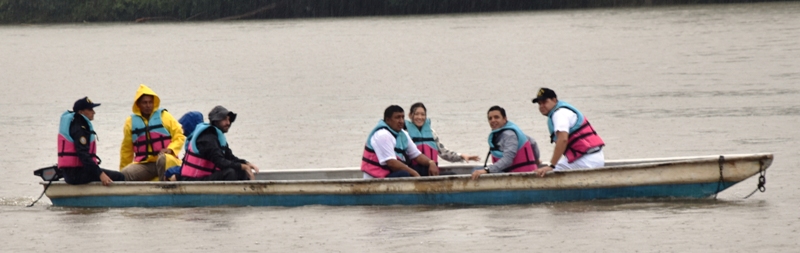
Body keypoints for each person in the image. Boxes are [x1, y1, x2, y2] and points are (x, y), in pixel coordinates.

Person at [531, 88, 605, 177]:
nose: (541, 106)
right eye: (539, 103)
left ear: (554, 100)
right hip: (594, 157)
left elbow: (563, 140)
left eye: (545, 102)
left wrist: (551, 165)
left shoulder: (559, 114)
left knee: (546, 173)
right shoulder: (561, 112)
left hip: (587, 160)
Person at [119, 84, 186, 181]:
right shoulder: (130, 122)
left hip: (167, 160)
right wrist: (122, 172)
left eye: (150, 102)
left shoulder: (165, 116)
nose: (148, 105)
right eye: (144, 103)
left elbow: (179, 135)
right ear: (138, 104)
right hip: (145, 164)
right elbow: (126, 150)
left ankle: (164, 187)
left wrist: (171, 149)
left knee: (162, 159)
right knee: (125, 173)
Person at [57, 97, 125, 186]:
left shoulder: (77, 124)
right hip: (76, 175)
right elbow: (83, 155)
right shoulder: (79, 129)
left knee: (109, 174)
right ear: (80, 112)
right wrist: (100, 174)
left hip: (72, 173)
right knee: (119, 177)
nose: (94, 112)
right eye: (90, 109)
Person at [179, 106, 259, 181]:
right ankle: (230, 196)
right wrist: (242, 166)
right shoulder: (206, 138)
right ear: (215, 121)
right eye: (224, 119)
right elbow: (220, 162)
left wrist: (246, 163)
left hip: (205, 177)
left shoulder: (217, 136)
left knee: (241, 171)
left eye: (229, 120)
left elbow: (230, 157)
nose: (228, 123)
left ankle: (246, 194)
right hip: (191, 180)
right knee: (230, 172)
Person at [361, 105, 440, 178]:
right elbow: (391, 163)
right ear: (388, 120)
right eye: (397, 118)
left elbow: (416, 154)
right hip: (377, 177)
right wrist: (414, 173)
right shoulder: (383, 135)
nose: (401, 121)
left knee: (424, 168)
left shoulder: (403, 134)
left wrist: (431, 162)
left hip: (391, 173)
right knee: (405, 173)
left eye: (402, 117)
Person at [471, 106, 540, 180]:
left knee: (476, 171)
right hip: (513, 172)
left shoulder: (509, 135)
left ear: (504, 119)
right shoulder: (504, 132)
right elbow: (533, 142)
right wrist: (536, 159)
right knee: (477, 169)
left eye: (496, 117)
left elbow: (508, 160)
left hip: (519, 175)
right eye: (490, 118)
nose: (493, 120)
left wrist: (487, 170)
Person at [405, 102, 480, 165]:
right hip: (413, 172)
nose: (420, 117)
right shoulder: (405, 133)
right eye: (416, 114)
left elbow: (444, 153)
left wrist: (461, 156)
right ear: (410, 115)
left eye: (422, 114)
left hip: (431, 172)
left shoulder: (432, 133)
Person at [164, 111, 204, 181]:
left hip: (197, 173)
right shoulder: (200, 138)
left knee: (170, 174)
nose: (182, 129)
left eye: (183, 126)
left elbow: (190, 167)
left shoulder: (195, 142)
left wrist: (169, 171)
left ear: (190, 126)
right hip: (199, 171)